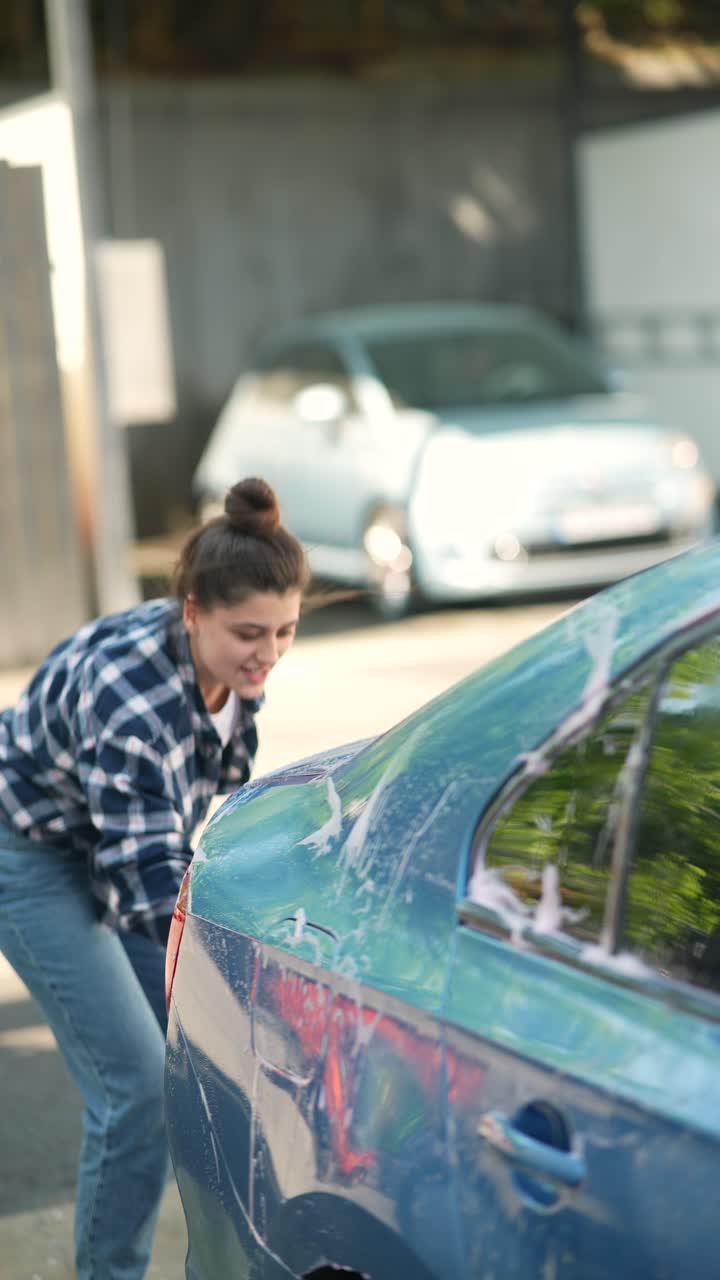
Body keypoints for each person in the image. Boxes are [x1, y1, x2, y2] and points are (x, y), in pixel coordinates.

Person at [0, 477, 309, 1280]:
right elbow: (148, 889)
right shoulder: (133, 703)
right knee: (136, 1088)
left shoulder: (231, 672)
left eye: (285, 632)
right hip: (28, 852)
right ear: (192, 612)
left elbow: (186, 842)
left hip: (111, 844)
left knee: (221, 1053)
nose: (268, 654)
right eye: (249, 632)